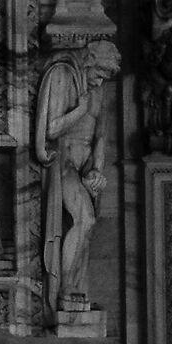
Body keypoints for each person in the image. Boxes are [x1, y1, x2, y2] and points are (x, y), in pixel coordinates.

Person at [34, 40, 118, 321]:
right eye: (100, 72)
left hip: (83, 169)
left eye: (106, 76)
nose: (101, 79)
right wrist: (80, 109)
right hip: (63, 164)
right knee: (85, 220)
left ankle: (73, 286)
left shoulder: (97, 90)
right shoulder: (62, 75)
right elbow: (52, 128)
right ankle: (65, 288)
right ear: (88, 58)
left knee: (85, 225)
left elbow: (101, 137)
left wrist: (96, 170)